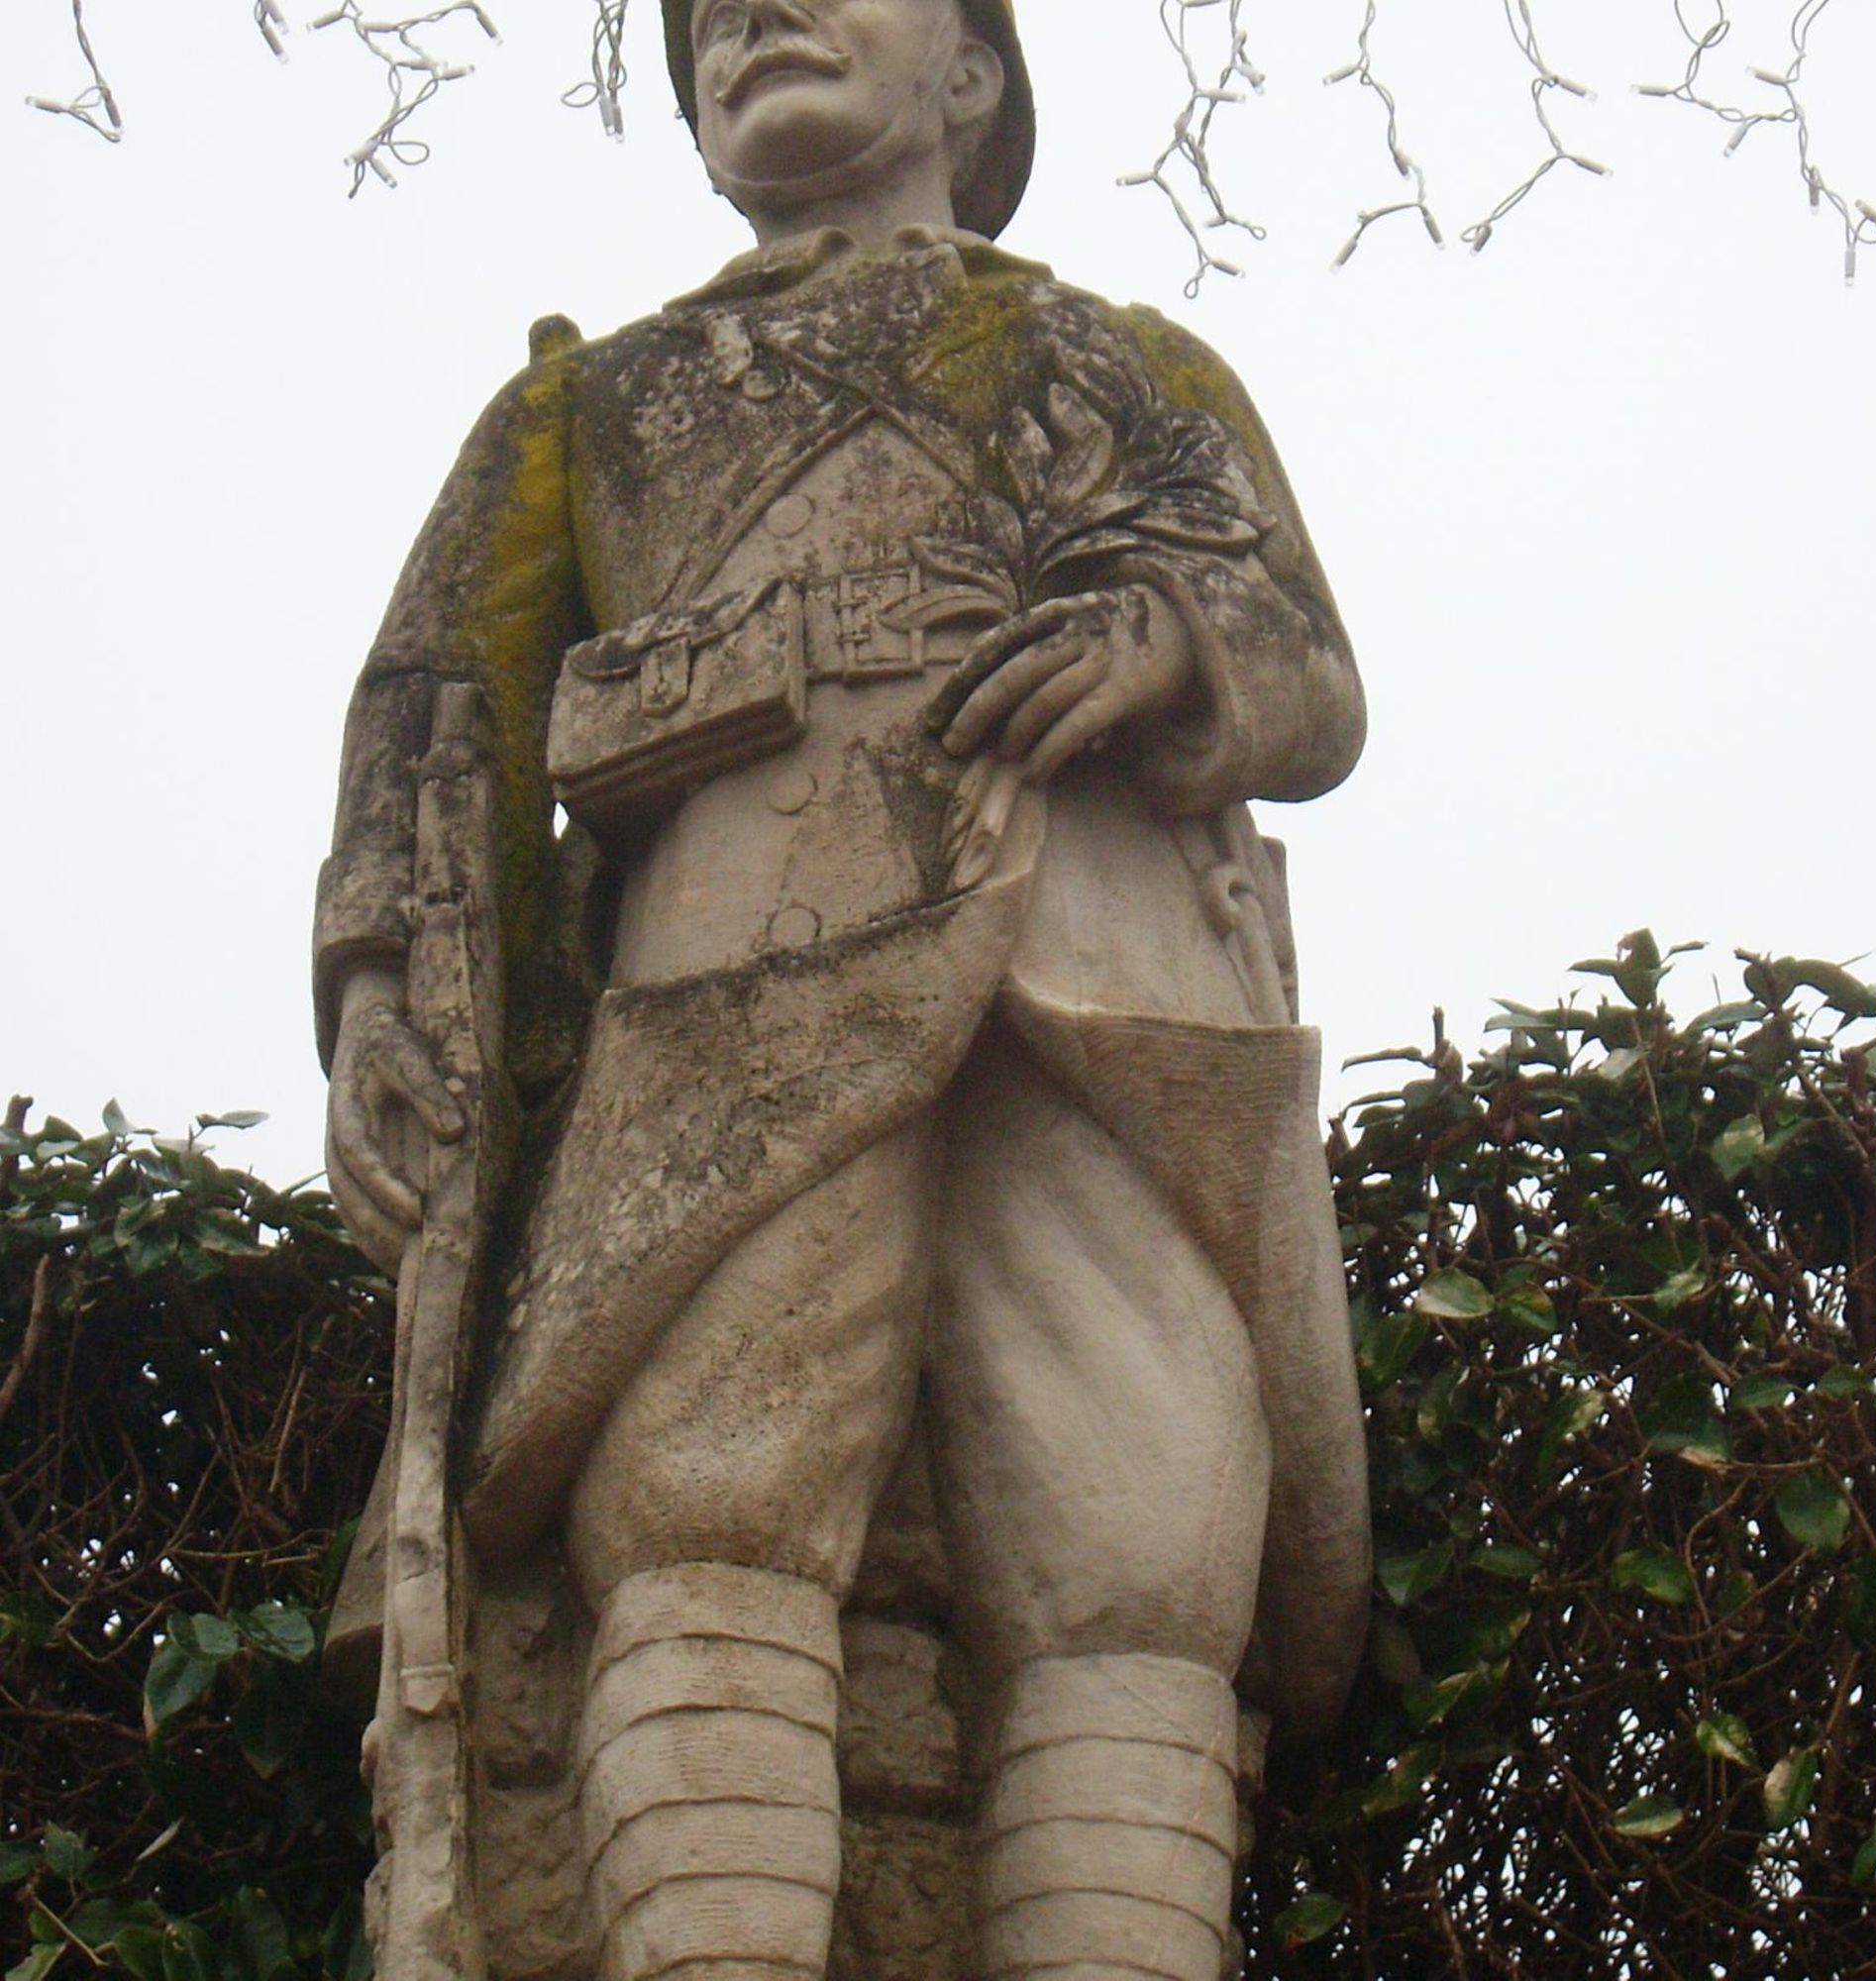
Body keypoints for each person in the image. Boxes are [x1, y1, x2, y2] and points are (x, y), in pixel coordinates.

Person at [318, 3, 1370, 1977]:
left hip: (1101, 977)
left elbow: (1303, 664)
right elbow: (437, 711)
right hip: (735, 976)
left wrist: (1161, 641)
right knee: (709, 1502)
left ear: (973, 76)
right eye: (702, 20)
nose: (749, 20)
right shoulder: (592, 403)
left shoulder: (1124, 364)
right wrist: (378, 984)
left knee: (1142, 1544)